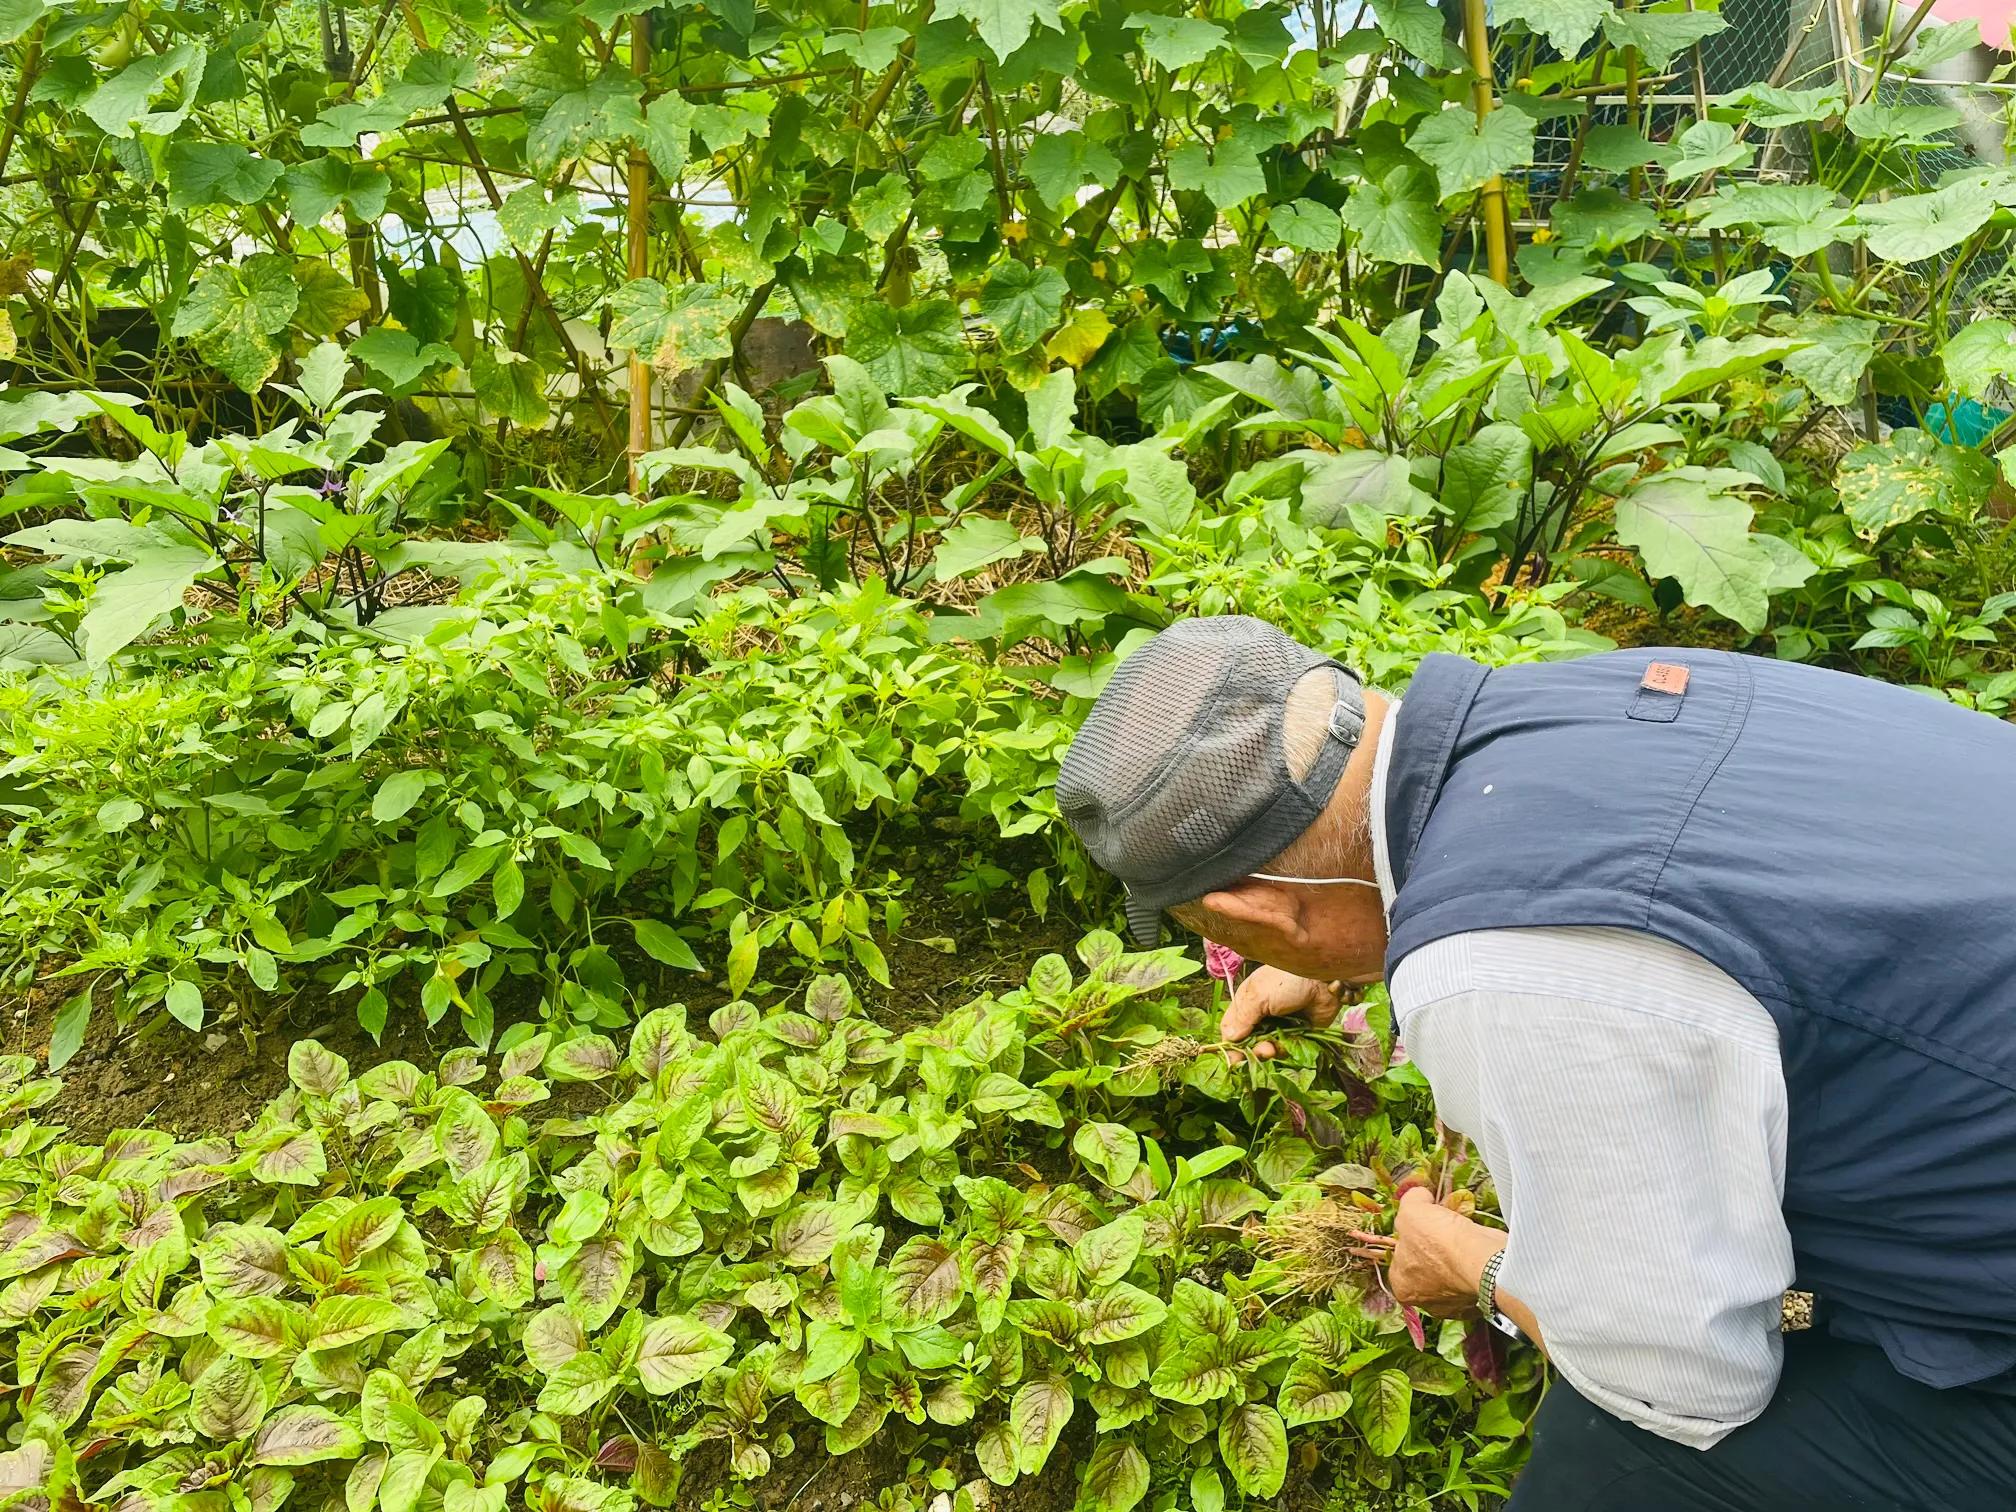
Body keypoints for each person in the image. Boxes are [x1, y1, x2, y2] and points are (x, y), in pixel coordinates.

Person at [1052, 615, 2016, 1510]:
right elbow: (1645, 907)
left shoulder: (1510, 972)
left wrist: (1479, 1267)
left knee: (1611, 1464)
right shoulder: (1571, 702)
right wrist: (1345, 945)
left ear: (1258, 914)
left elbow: (1688, 1381)